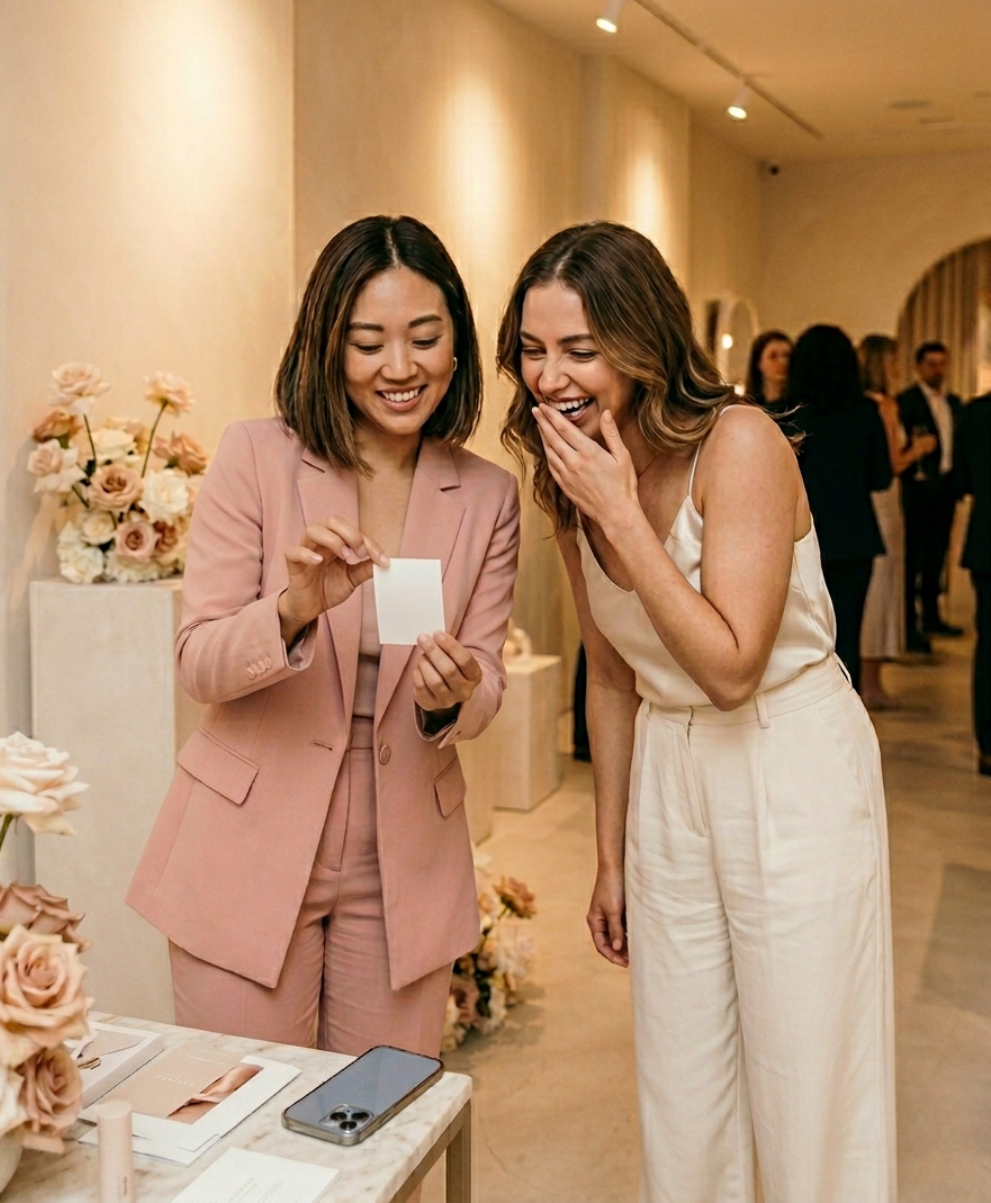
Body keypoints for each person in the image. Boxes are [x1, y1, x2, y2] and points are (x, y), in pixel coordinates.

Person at [498, 222, 895, 1203]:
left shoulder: (742, 442)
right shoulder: (568, 473)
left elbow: (730, 670)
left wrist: (625, 516)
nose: (551, 378)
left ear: (642, 341)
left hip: (787, 757)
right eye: (534, 349)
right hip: (669, 776)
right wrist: (609, 855)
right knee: (683, 1075)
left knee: (808, 1073)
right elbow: (611, 674)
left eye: (580, 351)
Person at [128, 215, 520, 1060]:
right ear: (327, 345)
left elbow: (486, 678)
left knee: (379, 1131)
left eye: (424, 337)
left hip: (402, 861)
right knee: (238, 1125)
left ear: (457, 343)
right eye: (368, 342)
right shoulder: (256, 458)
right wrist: (290, 608)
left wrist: (453, 696)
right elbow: (199, 660)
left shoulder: (488, 495)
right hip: (247, 848)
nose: (400, 367)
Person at [789, 325, 893, 690]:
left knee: (800, 633)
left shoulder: (787, 413)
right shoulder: (865, 412)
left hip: (798, 534)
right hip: (854, 534)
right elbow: (882, 477)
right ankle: (847, 709)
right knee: (846, 632)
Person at [857, 334, 937, 708]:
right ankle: (871, 681)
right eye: (891, 362)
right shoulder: (883, 406)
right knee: (881, 589)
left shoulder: (859, 404)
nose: (895, 369)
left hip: (871, 502)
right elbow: (891, 465)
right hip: (885, 503)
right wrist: (918, 449)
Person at [897, 341, 964, 651]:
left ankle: (933, 616)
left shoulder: (954, 403)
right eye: (932, 364)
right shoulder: (905, 402)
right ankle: (910, 625)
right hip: (917, 490)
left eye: (942, 363)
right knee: (915, 556)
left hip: (945, 489)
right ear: (919, 367)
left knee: (938, 555)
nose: (938, 370)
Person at [954, 391, 991, 775]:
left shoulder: (976, 412)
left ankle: (988, 746)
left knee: (989, 645)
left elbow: (961, 478)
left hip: (986, 538)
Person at [745, 329, 792, 413]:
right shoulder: (748, 408)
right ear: (759, 363)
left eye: (787, 356)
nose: (782, 362)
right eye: (773, 356)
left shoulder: (798, 408)